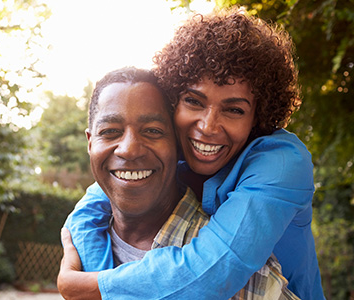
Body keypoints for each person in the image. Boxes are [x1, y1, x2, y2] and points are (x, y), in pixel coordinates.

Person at [59, 7, 325, 300]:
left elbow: (211, 273)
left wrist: (84, 287)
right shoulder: (175, 147)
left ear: (258, 117)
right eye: (194, 101)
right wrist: (89, 270)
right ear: (175, 103)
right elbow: (96, 202)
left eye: (234, 110)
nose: (208, 127)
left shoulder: (282, 163)